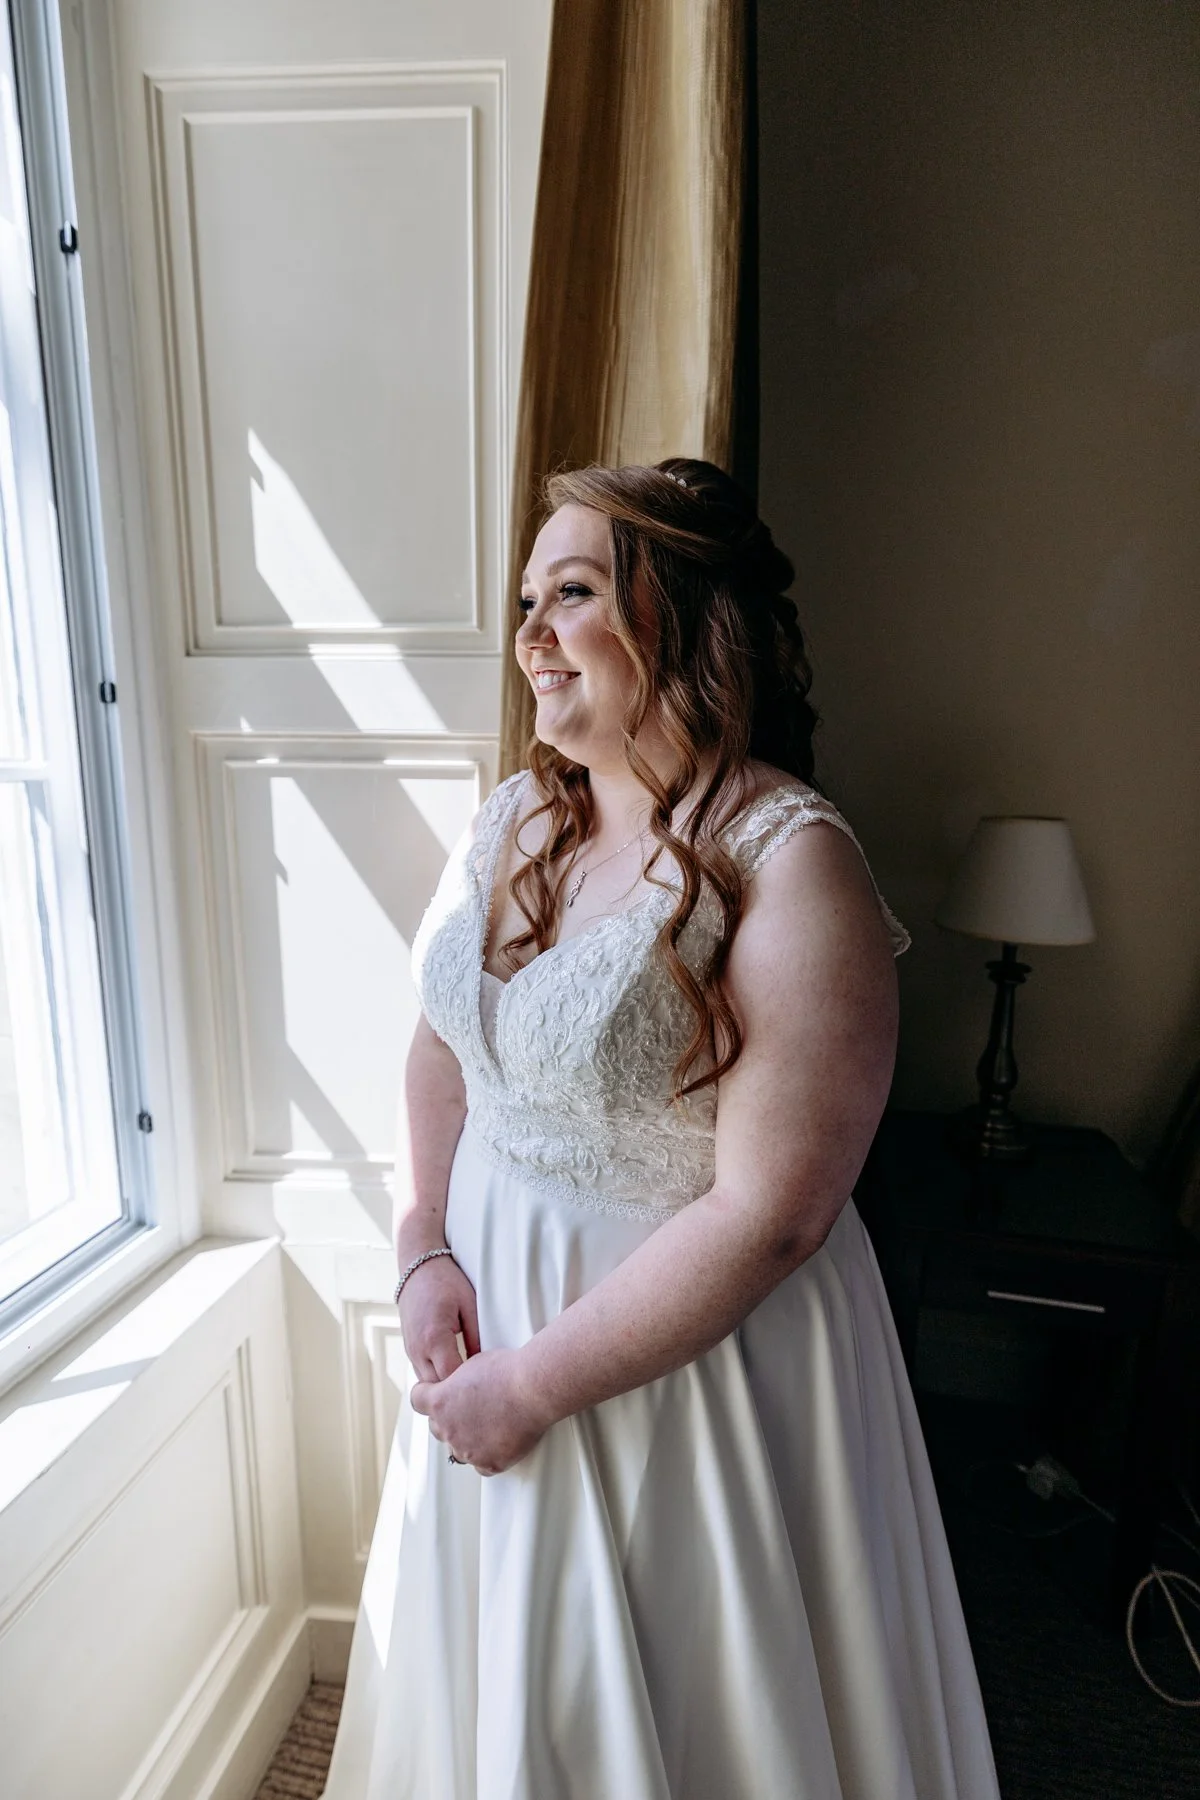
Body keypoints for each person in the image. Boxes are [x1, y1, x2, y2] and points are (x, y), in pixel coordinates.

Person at [322, 459, 1001, 1800]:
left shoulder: (793, 862)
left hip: (696, 1372)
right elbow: (442, 1050)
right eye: (527, 598)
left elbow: (777, 1212)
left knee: (688, 1709)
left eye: (571, 593)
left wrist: (532, 1387)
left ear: (683, 620)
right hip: (487, 1315)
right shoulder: (517, 817)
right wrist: (420, 1242)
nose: (527, 635)